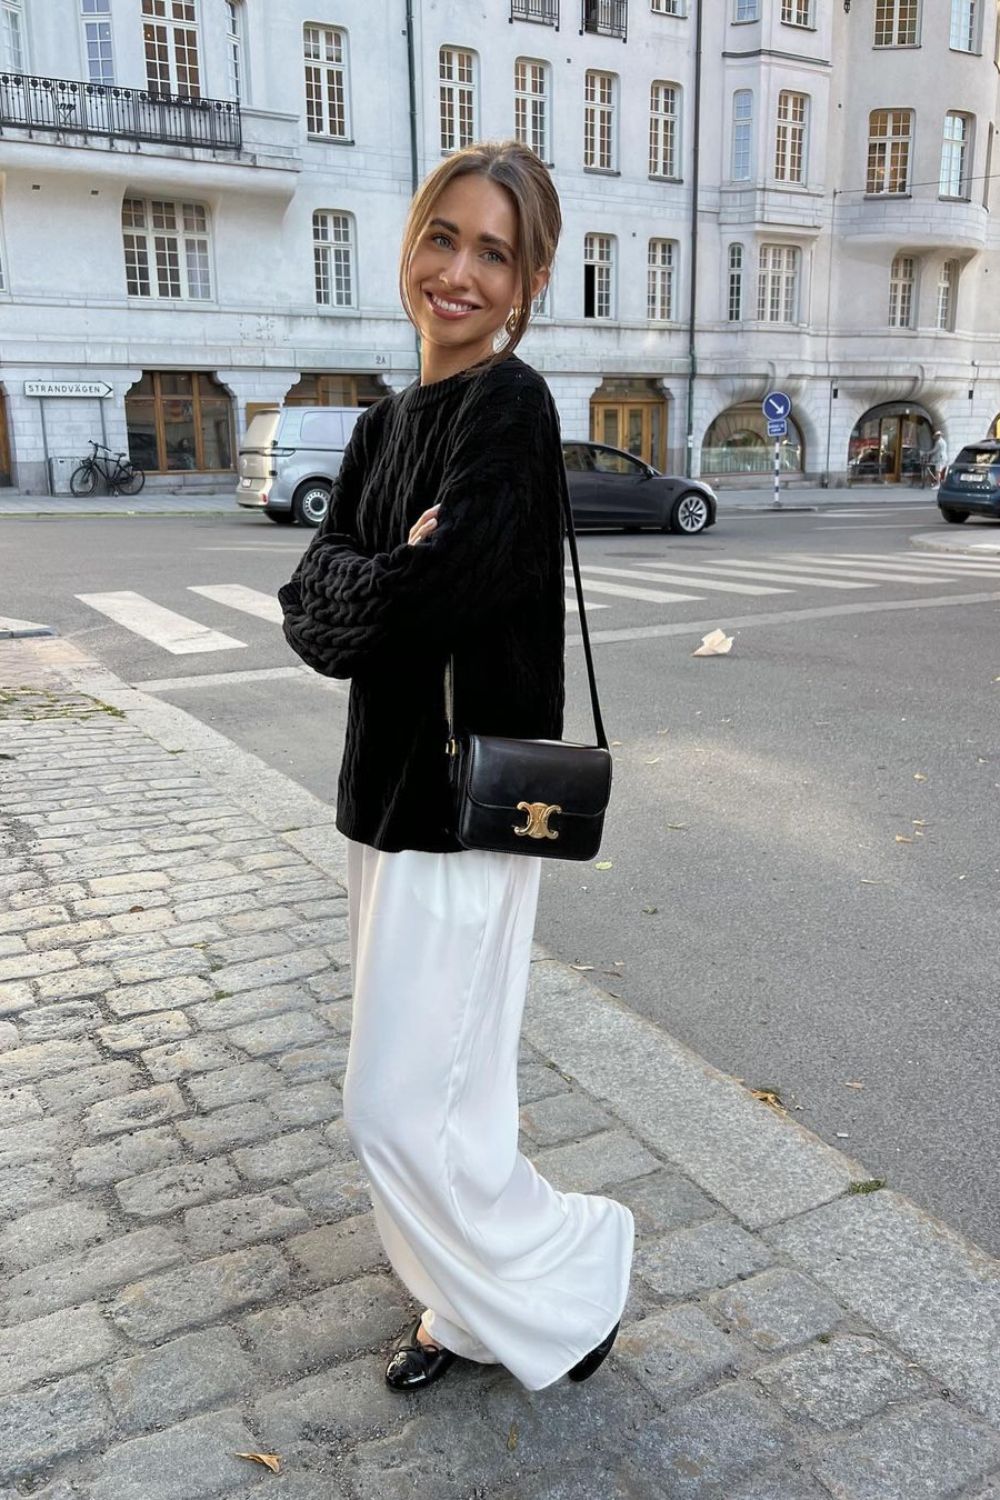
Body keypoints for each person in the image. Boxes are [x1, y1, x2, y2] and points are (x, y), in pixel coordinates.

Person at [277, 140, 634, 1395]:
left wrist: (372, 576)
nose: (458, 273)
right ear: (411, 242)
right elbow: (309, 609)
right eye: (444, 237)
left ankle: (575, 1269)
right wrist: (376, 572)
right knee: (453, 1100)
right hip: (385, 803)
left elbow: (417, 602)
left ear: (530, 277)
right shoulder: (383, 423)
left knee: (392, 1109)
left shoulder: (510, 407)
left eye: (493, 252)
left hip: (471, 807)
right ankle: (463, 1312)